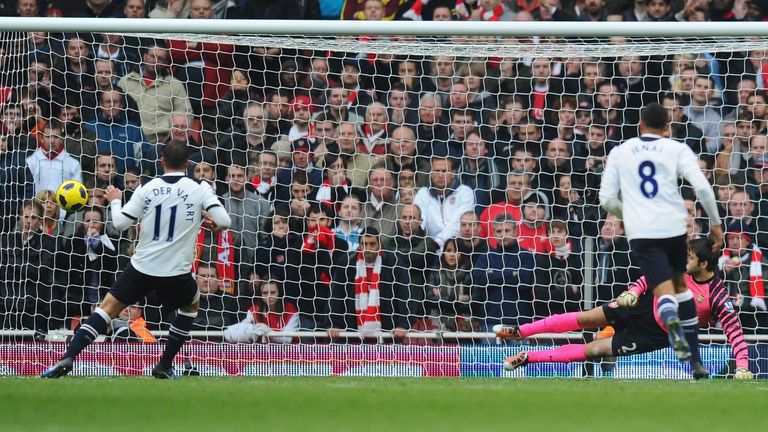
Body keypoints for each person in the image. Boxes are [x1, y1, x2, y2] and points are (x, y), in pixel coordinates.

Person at [42, 140, 232, 379]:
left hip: (142, 266)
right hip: (175, 272)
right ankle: (164, 364)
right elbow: (225, 221)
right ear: (188, 164)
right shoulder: (200, 188)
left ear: (162, 162)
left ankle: (67, 357)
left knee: (106, 310)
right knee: (190, 306)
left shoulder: (147, 187)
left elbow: (121, 224)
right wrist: (209, 221)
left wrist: (114, 199)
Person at [496, 238, 753, 381]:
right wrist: (633, 291)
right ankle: (520, 331)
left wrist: (742, 366)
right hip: (639, 307)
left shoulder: (718, 296)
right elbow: (649, 278)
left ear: (704, 264)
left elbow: (735, 332)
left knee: (593, 350)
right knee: (586, 318)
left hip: (654, 335)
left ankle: (528, 357)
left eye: (690, 257)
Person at [598, 102, 723, 379]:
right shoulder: (676, 148)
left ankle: (670, 320)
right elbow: (702, 187)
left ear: (640, 126)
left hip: (643, 230)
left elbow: (606, 199)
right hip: (673, 225)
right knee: (681, 286)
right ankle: (695, 363)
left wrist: (628, 211)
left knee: (662, 290)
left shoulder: (620, 151)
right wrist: (715, 225)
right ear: (668, 128)